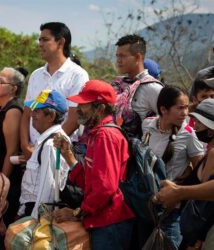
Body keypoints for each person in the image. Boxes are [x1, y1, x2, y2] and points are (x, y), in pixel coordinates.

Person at [52, 80, 134, 250]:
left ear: (100, 108)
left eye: (84, 104)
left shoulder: (106, 135)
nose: (78, 108)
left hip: (110, 223)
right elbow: (91, 182)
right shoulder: (97, 134)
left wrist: (78, 212)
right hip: (103, 221)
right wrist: (69, 156)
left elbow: (105, 188)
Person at [141, 86, 204, 248]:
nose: (185, 112)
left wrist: (180, 187)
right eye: (180, 108)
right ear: (163, 109)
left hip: (172, 210)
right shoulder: (147, 125)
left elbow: (201, 171)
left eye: (187, 107)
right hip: (146, 206)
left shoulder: (188, 134)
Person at [20, 22, 89, 160]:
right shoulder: (36, 75)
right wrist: (25, 145)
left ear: (60, 42)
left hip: (60, 153)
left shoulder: (78, 75)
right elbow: (27, 113)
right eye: (39, 40)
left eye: (45, 39)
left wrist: (46, 145)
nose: (40, 44)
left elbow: (74, 119)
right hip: (33, 152)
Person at [0, 67, 27, 249]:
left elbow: (11, 152)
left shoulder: (13, 112)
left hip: (5, 184)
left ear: (13, 89)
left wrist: (1, 187)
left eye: (0, 81)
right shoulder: (0, 111)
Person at [18, 89, 70, 219]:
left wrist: (37, 221)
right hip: (32, 209)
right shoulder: (47, 140)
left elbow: (49, 187)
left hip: (37, 213)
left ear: (51, 117)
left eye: (37, 111)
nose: (32, 115)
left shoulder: (51, 144)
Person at [112, 34, 163, 138]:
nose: (118, 60)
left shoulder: (152, 88)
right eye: (117, 56)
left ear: (138, 57)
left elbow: (171, 119)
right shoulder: (118, 84)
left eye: (123, 56)